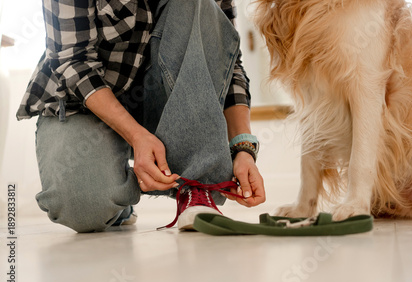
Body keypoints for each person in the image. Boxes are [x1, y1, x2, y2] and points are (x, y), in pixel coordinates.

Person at [16, 0, 266, 233]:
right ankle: (116, 193)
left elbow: (227, 62)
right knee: (82, 206)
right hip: (85, 102)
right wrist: (136, 135)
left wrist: (242, 147)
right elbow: (73, 61)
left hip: (169, 101)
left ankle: (196, 188)